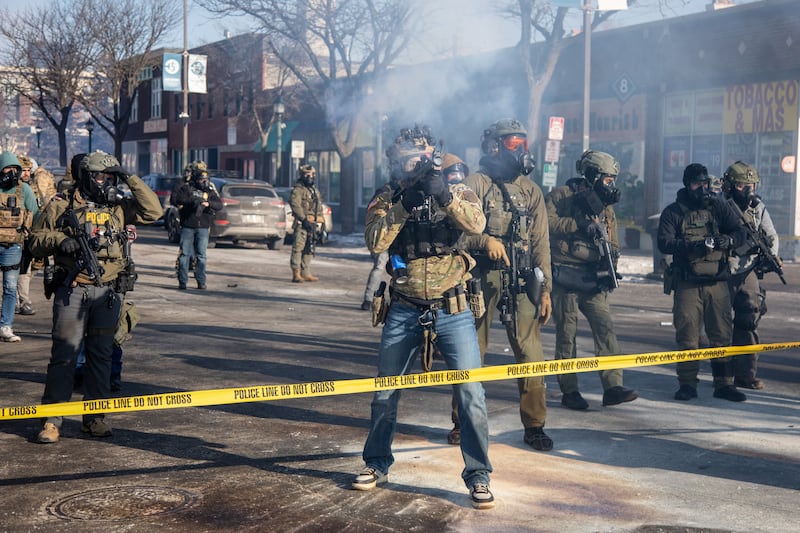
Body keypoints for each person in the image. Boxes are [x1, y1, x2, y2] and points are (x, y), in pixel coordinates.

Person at [352, 125, 495, 510]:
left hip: (453, 307)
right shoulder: (387, 195)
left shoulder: (456, 187)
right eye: (408, 158)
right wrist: (404, 203)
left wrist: (445, 196)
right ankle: (376, 464)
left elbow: (478, 225)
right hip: (404, 306)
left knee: (471, 394)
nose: (416, 163)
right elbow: (374, 242)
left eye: (423, 156)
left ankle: (478, 474)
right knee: (385, 393)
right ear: (396, 161)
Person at [29, 151, 160, 443]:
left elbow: (154, 211)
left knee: (101, 356)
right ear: (87, 177)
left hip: (108, 293)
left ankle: (95, 418)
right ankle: (52, 420)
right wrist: (62, 241)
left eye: (110, 177)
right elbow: (35, 241)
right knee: (64, 356)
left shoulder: (118, 207)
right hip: (73, 290)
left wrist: (129, 176)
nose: (105, 182)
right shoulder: (60, 205)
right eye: (100, 176)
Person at [452, 119, 553, 451]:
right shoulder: (475, 184)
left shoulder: (531, 191)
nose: (521, 151)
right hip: (481, 279)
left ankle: (535, 425)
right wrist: (483, 240)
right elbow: (453, 229)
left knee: (530, 351)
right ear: (494, 146)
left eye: (523, 144)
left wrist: (546, 289)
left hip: (521, 279)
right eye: (513, 144)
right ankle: (462, 421)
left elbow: (541, 243)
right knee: (472, 351)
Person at [546, 149, 638, 410]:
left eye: (613, 181)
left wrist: (611, 269)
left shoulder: (605, 207)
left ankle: (613, 387)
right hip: (566, 276)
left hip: (593, 278)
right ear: (592, 175)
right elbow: (544, 223)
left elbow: (613, 241)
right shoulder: (562, 196)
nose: (611, 185)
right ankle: (569, 390)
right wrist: (576, 224)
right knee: (567, 335)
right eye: (607, 180)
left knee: (605, 329)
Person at [657, 163, 747, 402]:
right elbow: (664, 243)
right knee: (687, 335)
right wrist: (693, 246)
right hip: (687, 283)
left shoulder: (719, 207)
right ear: (687, 184)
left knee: (721, 335)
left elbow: (741, 232)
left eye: (705, 183)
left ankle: (724, 384)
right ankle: (687, 383)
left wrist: (727, 240)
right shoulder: (673, 212)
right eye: (697, 184)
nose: (703, 188)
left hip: (717, 282)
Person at [722, 161, 779, 390]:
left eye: (751, 185)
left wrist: (771, 256)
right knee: (720, 325)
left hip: (747, 269)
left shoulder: (758, 208)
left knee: (749, 319)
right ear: (730, 186)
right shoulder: (718, 206)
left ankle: (745, 374)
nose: (748, 190)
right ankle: (722, 377)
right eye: (742, 185)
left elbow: (772, 236)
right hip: (722, 270)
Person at [0, 152, 38, 342]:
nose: (12, 173)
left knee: (10, 287)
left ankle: (5, 326)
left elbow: (36, 215)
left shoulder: (24, 191)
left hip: (13, 246)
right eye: (8, 169)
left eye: (16, 169)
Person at [170, 161, 221, 290]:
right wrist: (192, 201)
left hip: (203, 226)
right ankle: (182, 281)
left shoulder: (210, 190)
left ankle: (201, 281)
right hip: (188, 224)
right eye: (201, 179)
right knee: (185, 254)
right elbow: (176, 199)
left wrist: (207, 203)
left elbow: (219, 204)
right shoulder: (187, 187)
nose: (203, 181)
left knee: (201, 255)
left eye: (205, 179)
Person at [289, 164, 325, 283]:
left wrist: (322, 221)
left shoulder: (314, 190)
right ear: (302, 175)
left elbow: (318, 207)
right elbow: (295, 204)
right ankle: (296, 273)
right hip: (302, 223)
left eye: (311, 175)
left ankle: (306, 272)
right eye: (306, 175)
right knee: (298, 248)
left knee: (310, 248)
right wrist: (303, 219)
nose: (309, 177)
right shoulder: (298, 190)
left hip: (313, 223)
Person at [15, 154, 39, 316]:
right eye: (23, 170)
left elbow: (36, 213)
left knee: (25, 270)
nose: (26, 173)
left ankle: (21, 301)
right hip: (13, 236)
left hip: (26, 237)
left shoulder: (31, 188)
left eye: (29, 170)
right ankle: (21, 301)